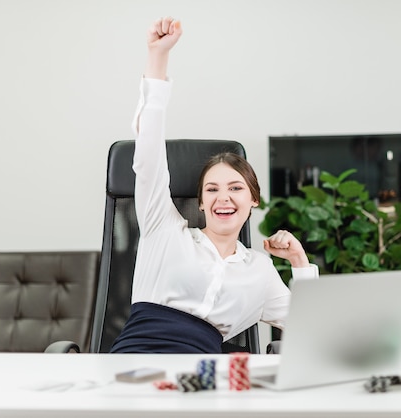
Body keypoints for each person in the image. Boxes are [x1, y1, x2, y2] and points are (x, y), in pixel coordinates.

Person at [110, 17, 319, 354]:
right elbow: (148, 153)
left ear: (253, 200)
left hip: (202, 378)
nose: (224, 197)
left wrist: (299, 261)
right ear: (202, 203)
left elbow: (314, 330)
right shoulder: (163, 229)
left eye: (236, 188)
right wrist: (157, 57)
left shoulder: (260, 271)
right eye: (212, 189)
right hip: (135, 363)